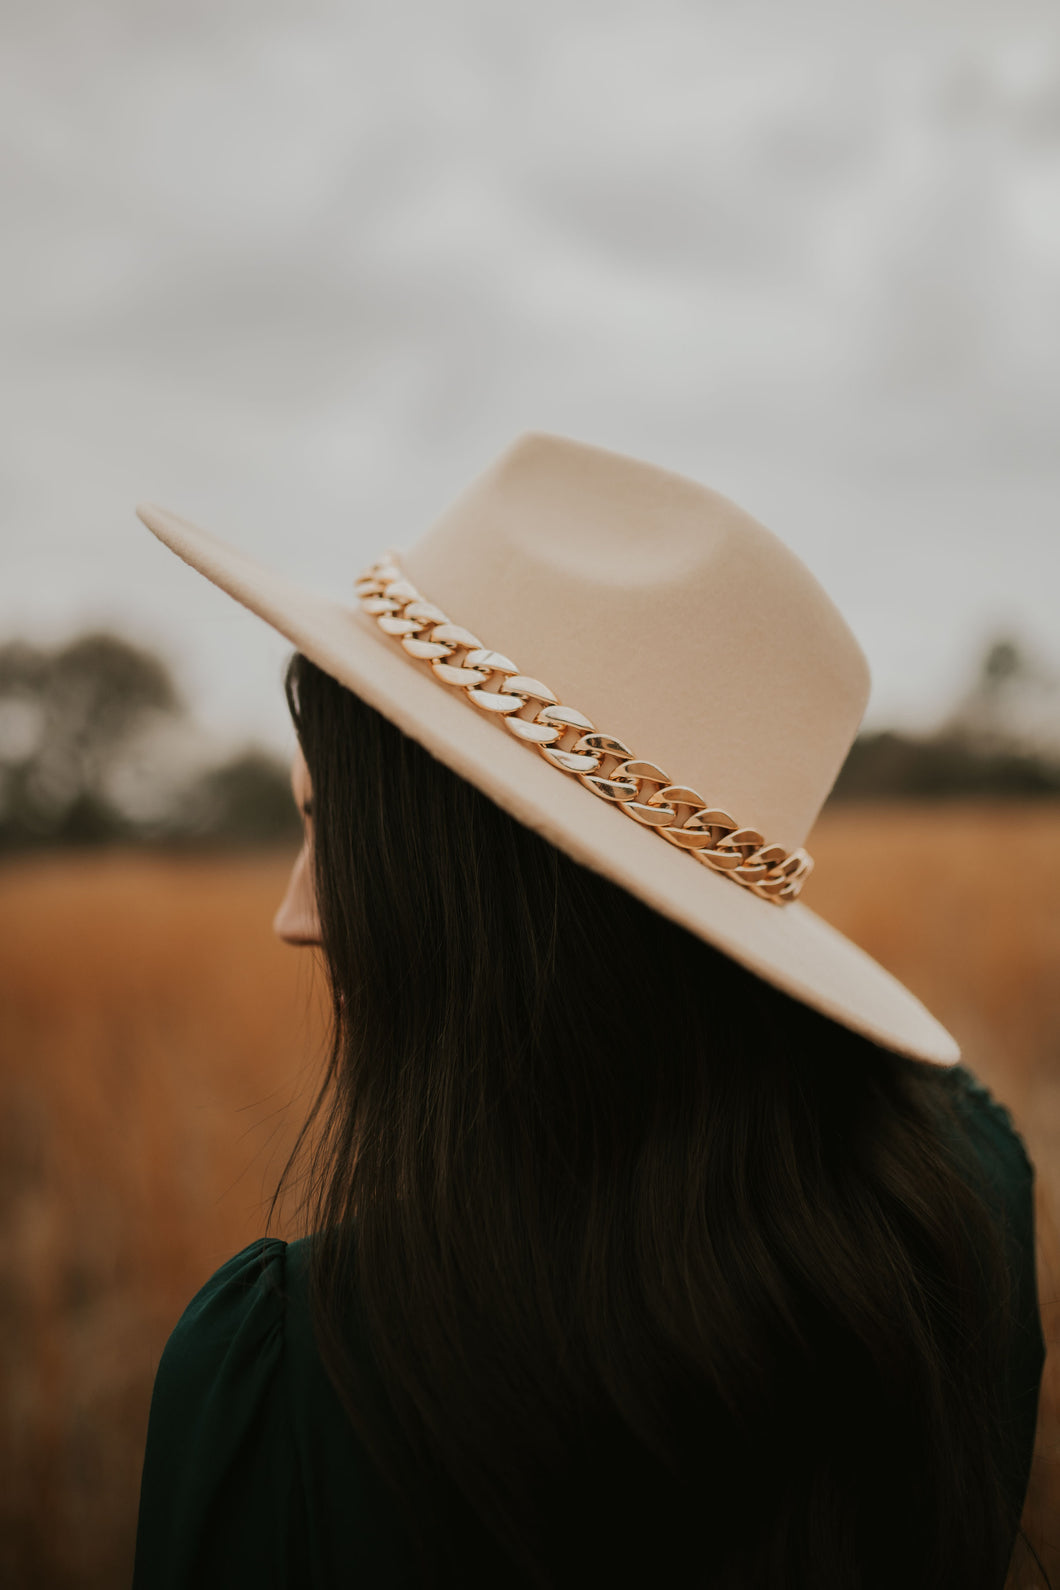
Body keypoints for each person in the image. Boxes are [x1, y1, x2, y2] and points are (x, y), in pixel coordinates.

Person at [131, 435, 1045, 1589]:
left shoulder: (286, 1384)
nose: (295, 917)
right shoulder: (963, 1198)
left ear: (484, 890)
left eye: (331, 834)